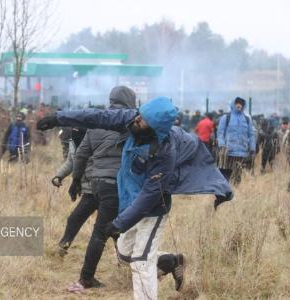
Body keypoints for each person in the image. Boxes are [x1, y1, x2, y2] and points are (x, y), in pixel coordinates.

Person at [37, 97, 233, 299]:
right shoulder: (131, 119)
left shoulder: (165, 152)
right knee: (124, 253)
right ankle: (169, 261)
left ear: (155, 127)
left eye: (142, 120)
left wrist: (120, 223)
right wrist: (58, 118)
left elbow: (150, 194)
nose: (136, 120)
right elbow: (96, 116)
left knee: (141, 261)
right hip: (129, 201)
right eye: (139, 115)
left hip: (153, 209)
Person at [67, 86, 136, 290]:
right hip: (118, 185)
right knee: (103, 232)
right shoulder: (130, 122)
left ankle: (127, 267)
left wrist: (76, 180)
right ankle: (86, 278)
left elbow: (80, 155)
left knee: (117, 227)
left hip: (97, 184)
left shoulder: (97, 124)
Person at [51, 127, 95, 257]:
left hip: (99, 187)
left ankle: (123, 257)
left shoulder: (95, 138)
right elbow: (71, 161)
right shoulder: (73, 141)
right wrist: (59, 176)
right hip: (87, 188)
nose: (75, 129)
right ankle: (62, 248)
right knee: (74, 219)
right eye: (73, 126)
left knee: (110, 226)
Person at [217, 97, 255, 185]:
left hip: (242, 152)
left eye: (241, 104)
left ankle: (236, 192)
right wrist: (222, 145)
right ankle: (226, 191)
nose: (239, 105)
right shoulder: (226, 117)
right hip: (228, 152)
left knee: (238, 174)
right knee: (227, 173)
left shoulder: (247, 119)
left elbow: (251, 135)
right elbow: (220, 133)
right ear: (233, 104)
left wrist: (252, 148)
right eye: (237, 103)